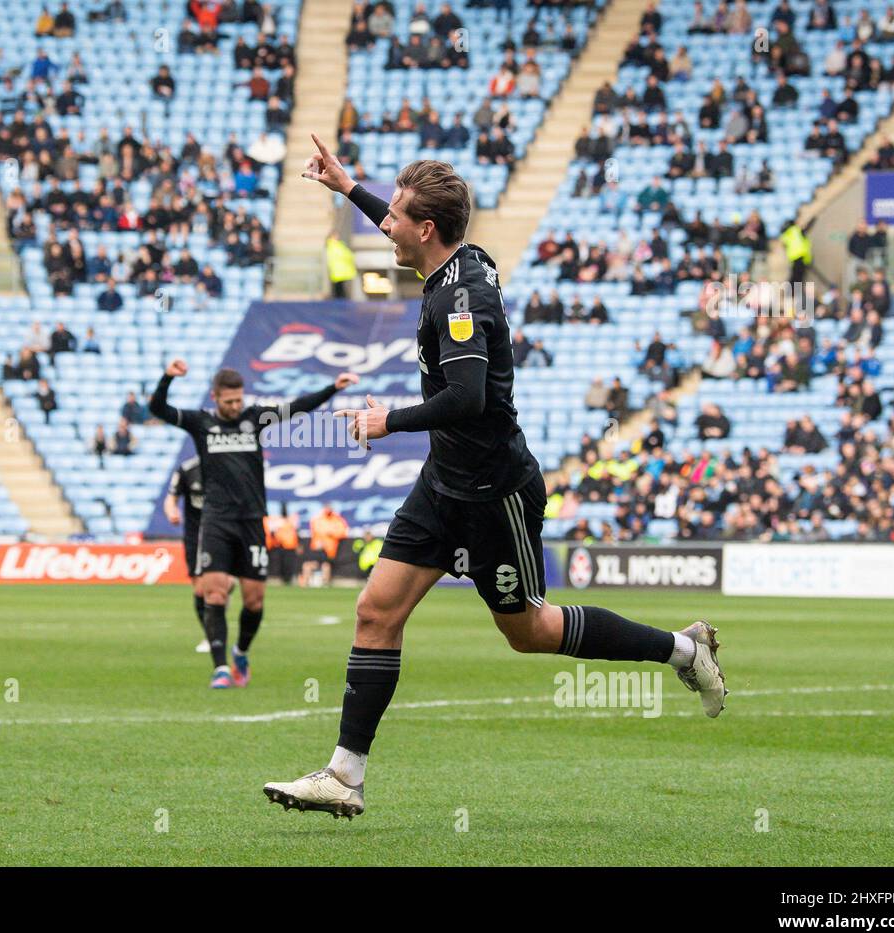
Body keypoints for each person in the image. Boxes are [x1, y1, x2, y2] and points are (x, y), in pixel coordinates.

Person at [262, 137, 728, 818]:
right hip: (442, 481)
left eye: (394, 216)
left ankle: (684, 650)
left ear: (426, 231)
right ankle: (344, 775)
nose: (383, 225)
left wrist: (384, 421)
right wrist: (346, 186)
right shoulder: (458, 260)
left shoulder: (463, 297)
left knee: (529, 631)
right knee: (374, 611)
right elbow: (409, 229)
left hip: (493, 491)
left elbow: (469, 397)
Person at [149, 357, 358, 689]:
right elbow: (158, 409)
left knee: (254, 599)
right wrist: (167, 379)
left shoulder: (254, 417)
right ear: (215, 397)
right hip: (216, 521)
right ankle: (220, 668)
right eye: (229, 401)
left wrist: (332, 388)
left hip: (251, 522)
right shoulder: (199, 422)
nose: (236, 406)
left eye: (239, 399)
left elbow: (296, 408)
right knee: (214, 594)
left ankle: (241, 651)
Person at [163, 455, 212, 653]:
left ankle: (216, 630)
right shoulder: (187, 469)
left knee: (220, 586)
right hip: (195, 536)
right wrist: (171, 512)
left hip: (222, 532)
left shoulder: (226, 465)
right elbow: (171, 498)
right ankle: (211, 635)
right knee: (200, 590)